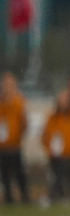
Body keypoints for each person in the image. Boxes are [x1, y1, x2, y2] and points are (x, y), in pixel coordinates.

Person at [42, 89, 70, 203]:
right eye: (61, 99)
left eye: (65, 99)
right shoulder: (53, 117)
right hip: (56, 155)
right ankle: (56, 197)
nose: (63, 102)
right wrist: (49, 149)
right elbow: (45, 135)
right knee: (57, 178)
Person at [0, 72, 28, 204]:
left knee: (19, 173)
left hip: (15, 144)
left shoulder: (19, 101)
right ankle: (9, 198)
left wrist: (18, 135)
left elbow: (24, 122)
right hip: (2, 146)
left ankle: (25, 197)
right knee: (4, 174)